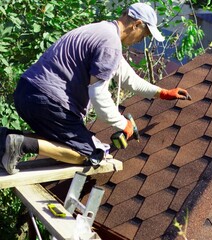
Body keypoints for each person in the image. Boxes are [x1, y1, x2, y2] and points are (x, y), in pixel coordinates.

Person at [0, 3, 191, 175]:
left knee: (60, 142)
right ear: (137, 24)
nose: (142, 39)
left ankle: (5, 138)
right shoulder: (110, 44)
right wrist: (121, 123)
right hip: (48, 101)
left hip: (27, 92)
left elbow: (128, 79)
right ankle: (21, 144)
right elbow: (98, 96)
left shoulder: (102, 31)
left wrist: (162, 93)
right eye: (145, 34)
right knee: (90, 154)